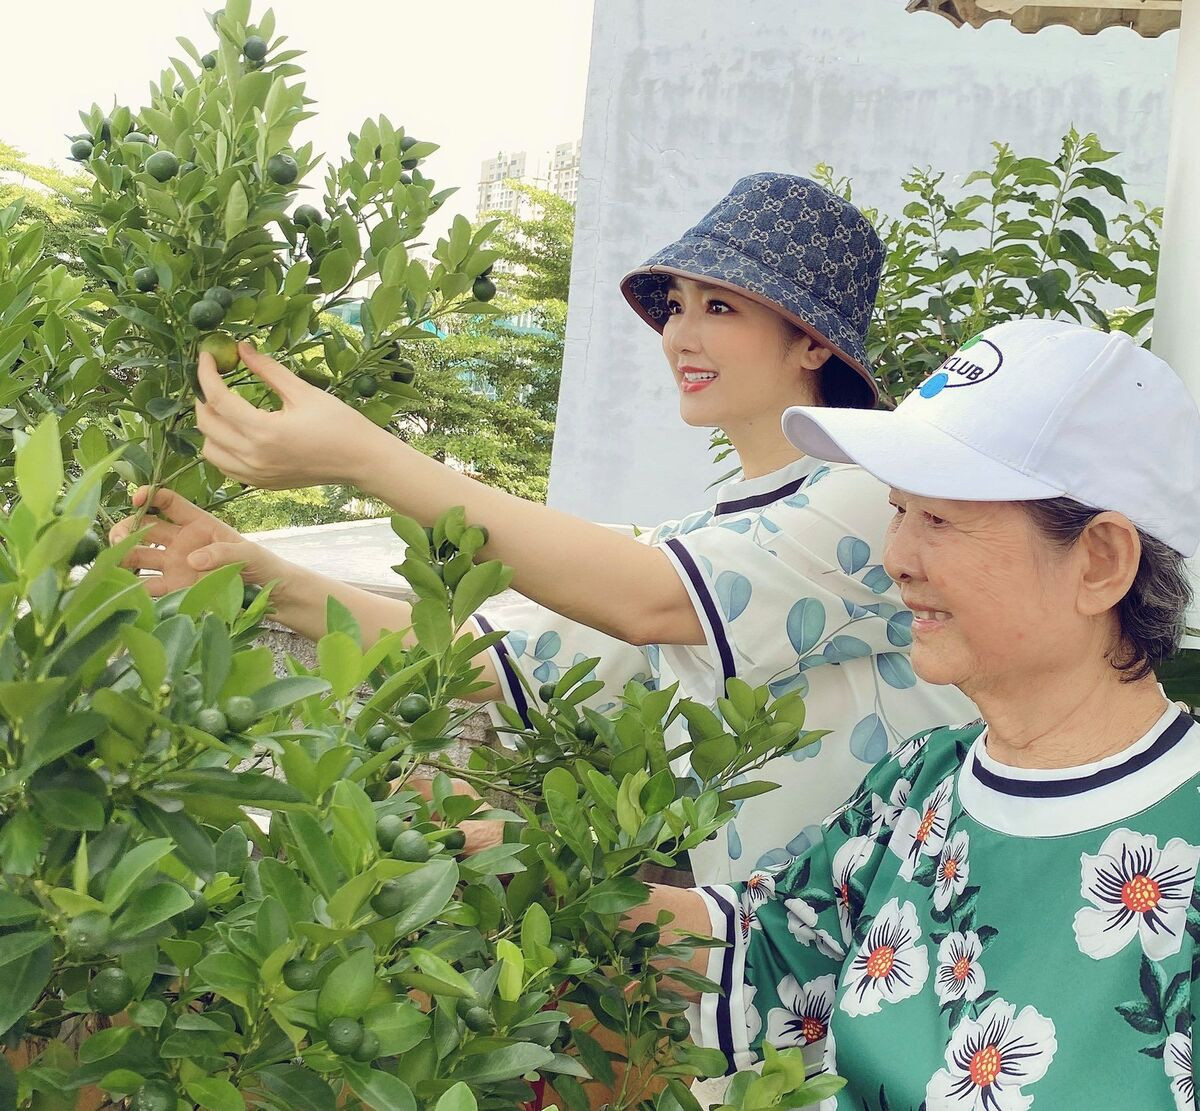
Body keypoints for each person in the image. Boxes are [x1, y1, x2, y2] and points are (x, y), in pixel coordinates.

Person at [111, 174, 973, 883]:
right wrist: (257, 575)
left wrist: (364, 456)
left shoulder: (876, 499)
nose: (680, 334)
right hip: (770, 974)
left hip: (881, 959)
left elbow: (650, 600)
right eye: (677, 304)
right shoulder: (710, 538)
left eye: (721, 308)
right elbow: (489, 662)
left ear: (813, 343)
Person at [637, 319, 1200, 1109]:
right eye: (899, 510)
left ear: (1100, 561)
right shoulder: (919, 780)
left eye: (938, 520)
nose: (896, 556)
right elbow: (766, 953)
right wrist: (520, 879)